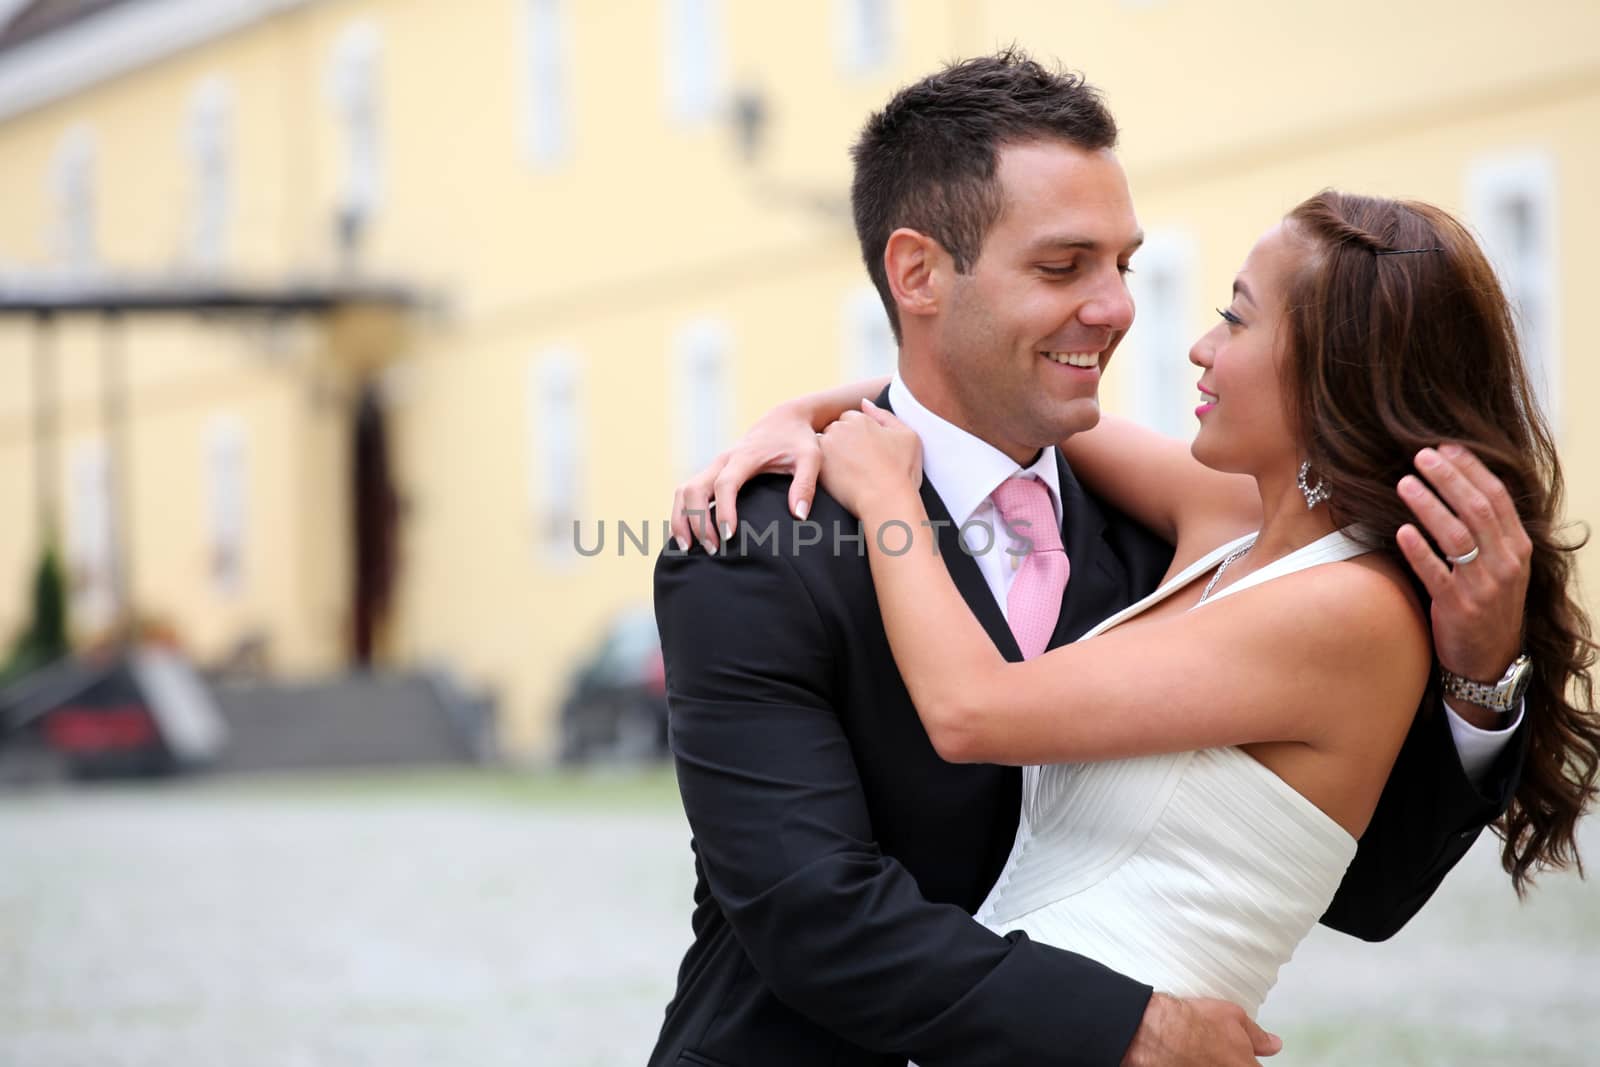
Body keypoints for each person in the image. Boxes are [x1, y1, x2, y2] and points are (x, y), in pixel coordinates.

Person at [651, 52, 1549, 1067]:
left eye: (1122, 263)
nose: (1123, 307)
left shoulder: (1182, 544)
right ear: (916, 275)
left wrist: (1478, 686)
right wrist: (1129, 1025)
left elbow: (1362, 885)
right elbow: (810, 907)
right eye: (1062, 265)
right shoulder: (758, 541)